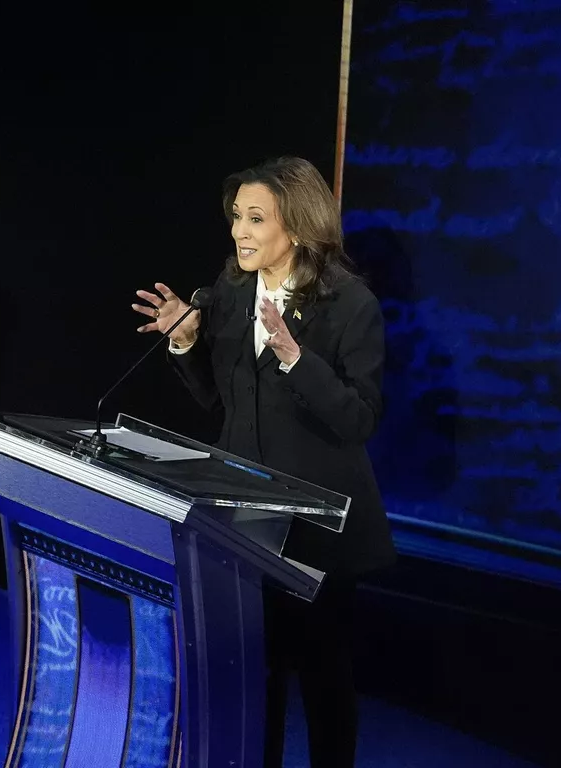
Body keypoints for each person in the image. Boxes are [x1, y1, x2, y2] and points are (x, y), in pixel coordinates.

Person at [132, 156, 395, 768]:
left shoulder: (350, 306)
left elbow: (360, 419)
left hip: (316, 525)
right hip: (242, 517)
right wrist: (186, 340)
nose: (238, 232)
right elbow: (219, 400)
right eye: (235, 218)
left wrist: (297, 359)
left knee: (322, 673)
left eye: (255, 219)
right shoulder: (229, 289)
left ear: (297, 227)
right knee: (256, 669)